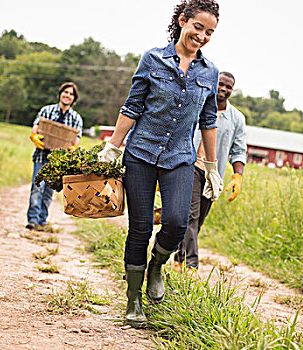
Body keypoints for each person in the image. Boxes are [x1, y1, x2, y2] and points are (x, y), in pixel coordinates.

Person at [97, 0, 222, 326]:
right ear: (183, 20)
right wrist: (113, 146)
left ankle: (156, 265)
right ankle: (134, 299)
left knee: (178, 221)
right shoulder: (153, 58)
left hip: (179, 158)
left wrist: (211, 166)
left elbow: (209, 121)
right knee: (139, 228)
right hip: (140, 154)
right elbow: (133, 106)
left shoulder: (210, 73)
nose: (203, 36)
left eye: (210, 32)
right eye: (198, 27)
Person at [173, 71, 247, 272]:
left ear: (232, 90)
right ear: (214, 84)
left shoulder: (236, 119)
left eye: (228, 87)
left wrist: (237, 176)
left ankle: (179, 257)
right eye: (221, 84)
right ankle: (192, 266)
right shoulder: (197, 107)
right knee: (191, 216)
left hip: (213, 174)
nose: (223, 89)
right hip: (191, 166)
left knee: (197, 222)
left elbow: (239, 150)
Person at [26, 82, 83, 231]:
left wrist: (73, 147)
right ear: (60, 94)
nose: (67, 96)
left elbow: (77, 138)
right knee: (37, 187)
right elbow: (36, 126)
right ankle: (32, 220)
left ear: (74, 99)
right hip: (41, 156)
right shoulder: (46, 110)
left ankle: (42, 220)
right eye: (65, 92)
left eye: (71, 94)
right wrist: (34, 136)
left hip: (58, 163)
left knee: (49, 191)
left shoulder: (76, 118)